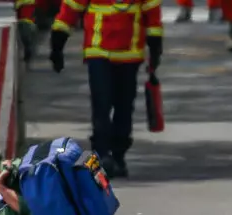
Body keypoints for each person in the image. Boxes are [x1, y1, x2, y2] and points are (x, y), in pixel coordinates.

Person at [49, 0, 163, 179]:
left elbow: (153, 17)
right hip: (99, 53)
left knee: (123, 108)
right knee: (102, 105)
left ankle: (118, 156)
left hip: (129, 56)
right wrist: (57, 45)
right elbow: (70, 9)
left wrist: (155, 51)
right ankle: (102, 155)